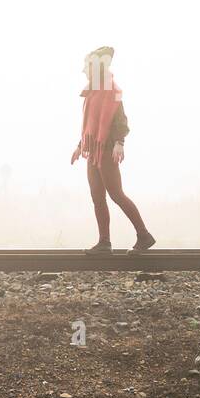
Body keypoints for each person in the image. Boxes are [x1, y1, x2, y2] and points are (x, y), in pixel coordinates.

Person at [70, 46, 156, 253]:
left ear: (96, 68)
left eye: (87, 66)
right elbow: (90, 125)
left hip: (107, 150)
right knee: (97, 196)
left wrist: (120, 143)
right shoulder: (93, 92)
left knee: (116, 194)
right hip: (93, 151)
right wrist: (80, 146)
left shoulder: (112, 91)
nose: (83, 70)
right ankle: (104, 242)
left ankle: (144, 236)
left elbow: (121, 120)